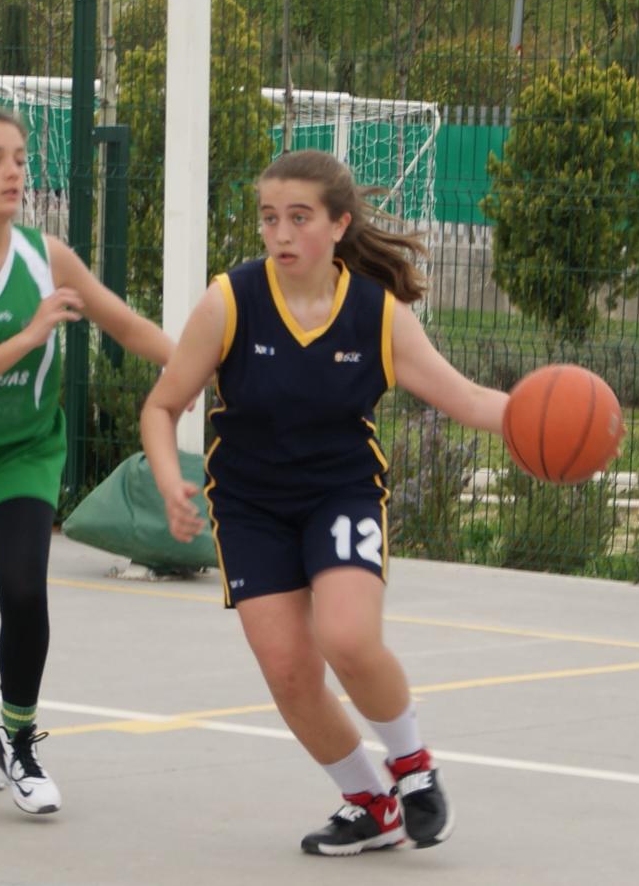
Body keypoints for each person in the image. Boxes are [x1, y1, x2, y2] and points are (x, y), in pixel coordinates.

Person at [140, 148, 510, 855]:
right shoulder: (231, 301)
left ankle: (413, 768)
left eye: (299, 218)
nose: (280, 234)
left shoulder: (377, 315)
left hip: (341, 492)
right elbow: (161, 406)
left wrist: (537, 418)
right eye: (269, 218)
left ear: (339, 225)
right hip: (249, 505)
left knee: (347, 638)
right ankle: (371, 805)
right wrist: (167, 479)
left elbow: (465, 399)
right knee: (288, 672)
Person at [0, 105, 174, 815]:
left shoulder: (47, 257)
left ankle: (20, 742)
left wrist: (210, 365)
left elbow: (125, 324)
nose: (14, 171)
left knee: (23, 589)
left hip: (22, 446)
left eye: (19, 158)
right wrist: (27, 336)